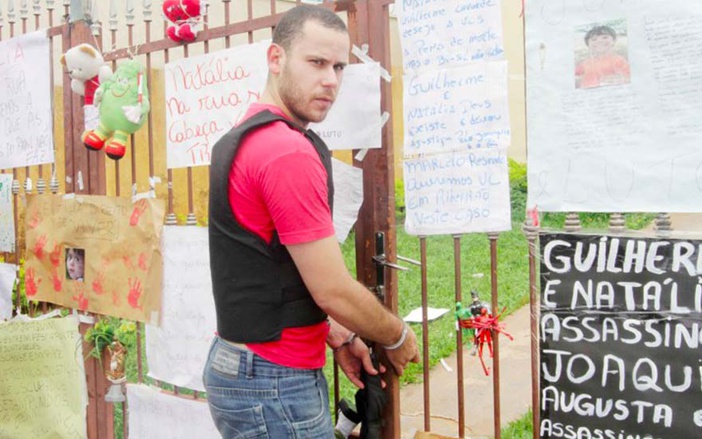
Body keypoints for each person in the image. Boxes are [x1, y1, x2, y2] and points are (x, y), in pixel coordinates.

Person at [204, 4, 420, 438]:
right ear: (276, 59)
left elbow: (271, 265)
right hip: (273, 381)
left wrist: (338, 335)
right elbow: (332, 289)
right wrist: (397, 335)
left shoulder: (247, 133)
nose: (330, 80)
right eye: (316, 62)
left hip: (242, 366)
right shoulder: (286, 151)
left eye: (339, 67)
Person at [575, 24, 630, 89]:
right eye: (594, 39)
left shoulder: (619, 60)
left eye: (605, 37)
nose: (599, 41)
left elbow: (628, 77)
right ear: (588, 45)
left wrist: (620, 79)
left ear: (614, 41)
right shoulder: (585, 63)